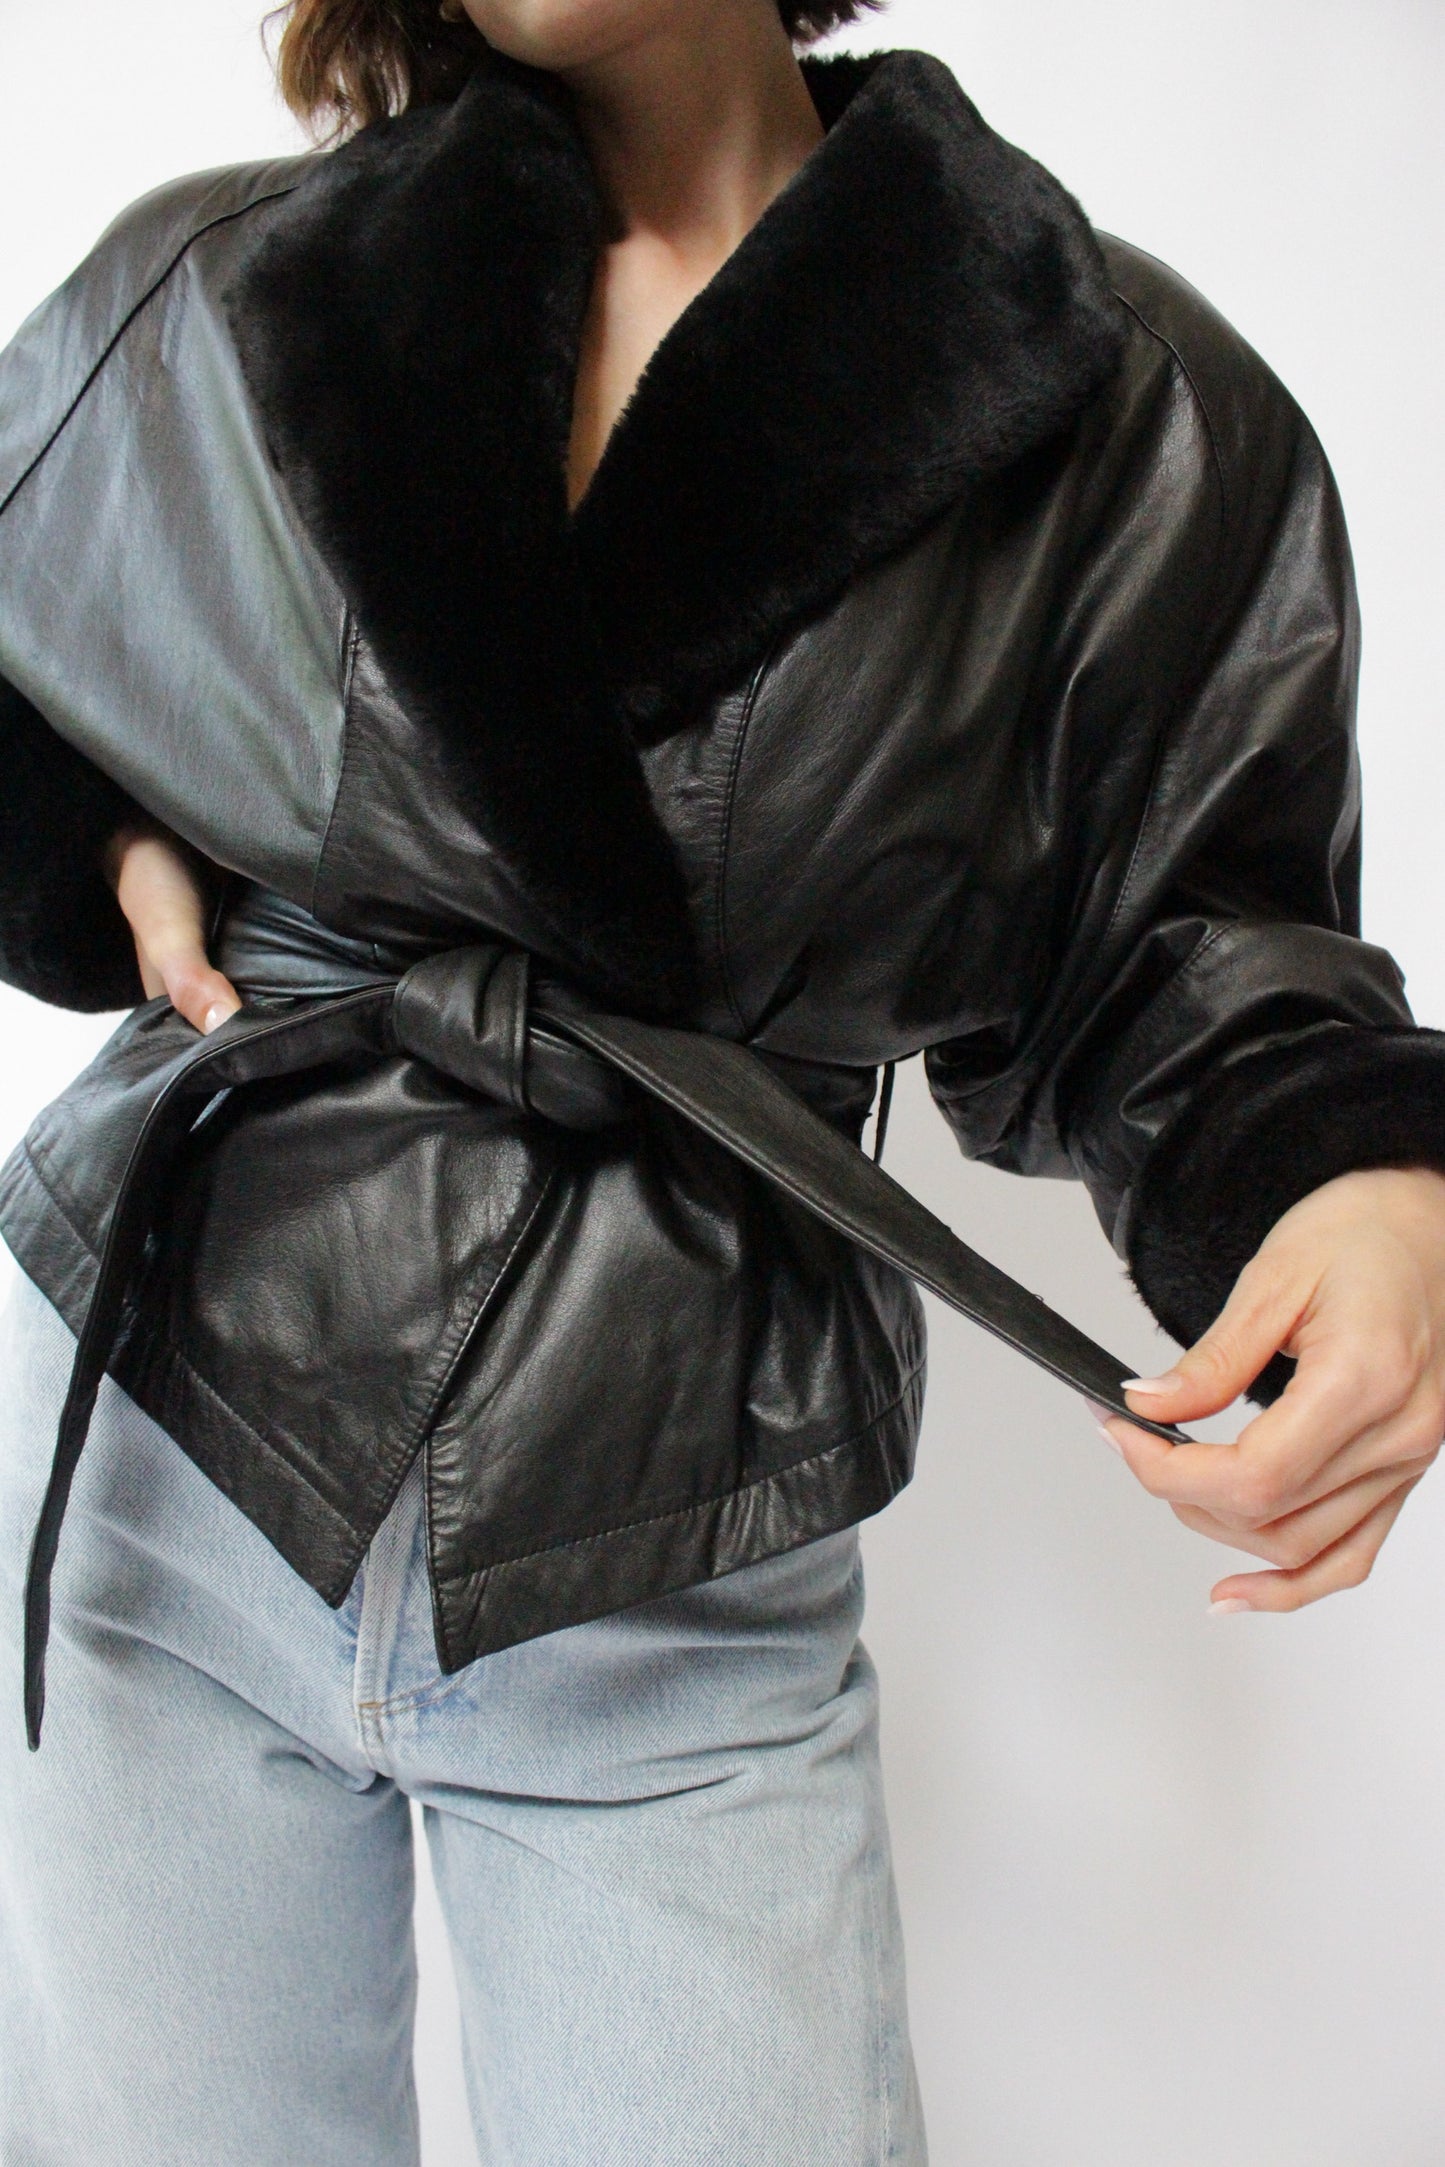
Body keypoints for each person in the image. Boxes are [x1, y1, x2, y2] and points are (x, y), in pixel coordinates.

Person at [2, 0, 1444, 2158]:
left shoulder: (1102, 402)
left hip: (668, 1546)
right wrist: (90, 820)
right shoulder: (223, 287)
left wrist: (1353, 1177)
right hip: (160, 1457)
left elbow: (1203, 939)